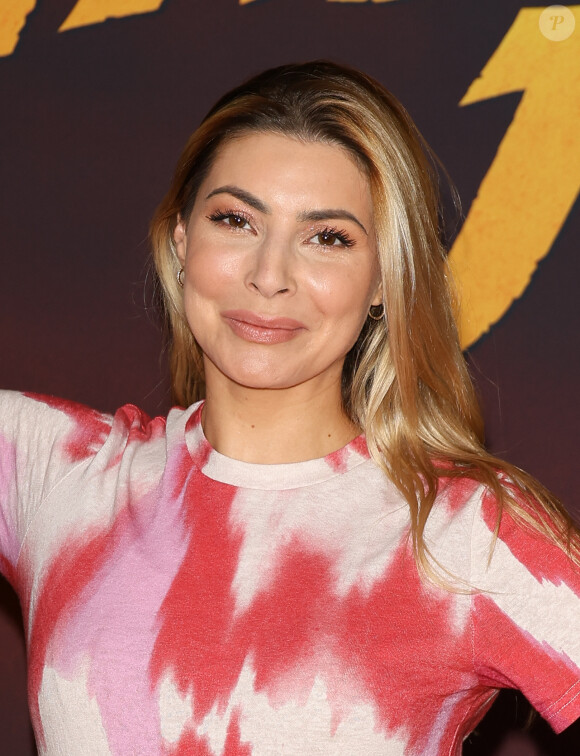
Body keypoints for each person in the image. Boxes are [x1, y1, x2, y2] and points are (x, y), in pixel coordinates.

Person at [0, 60, 579, 756]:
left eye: (327, 237)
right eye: (236, 220)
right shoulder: (50, 476)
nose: (268, 275)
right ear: (182, 243)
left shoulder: (463, 532)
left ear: (383, 282)